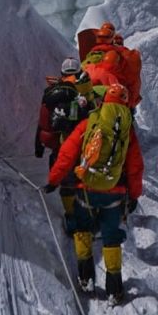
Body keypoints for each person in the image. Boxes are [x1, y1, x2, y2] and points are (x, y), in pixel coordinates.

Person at [45, 83, 144, 306]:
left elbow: (66, 154)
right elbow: (136, 167)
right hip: (115, 195)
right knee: (111, 238)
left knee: (82, 229)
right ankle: (114, 289)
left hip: (86, 190)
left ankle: (85, 278)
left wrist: (54, 180)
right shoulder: (127, 131)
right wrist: (134, 195)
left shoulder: (89, 123)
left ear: (104, 101)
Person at [35, 58, 95, 233]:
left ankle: (70, 216)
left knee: (67, 184)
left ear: (62, 74)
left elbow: (43, 121)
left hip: (62, 147)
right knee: (84, 183)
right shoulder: (85, 92)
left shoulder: (52, 93)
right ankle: (88, 216)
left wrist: (39, 145)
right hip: (84, 146)